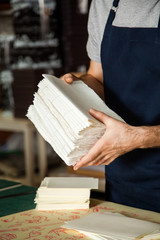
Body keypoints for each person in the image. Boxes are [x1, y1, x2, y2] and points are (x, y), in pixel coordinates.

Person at [61, 0, 160, 213]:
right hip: (122, 178)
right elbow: (97, 77)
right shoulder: (104, 4)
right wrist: (77, 88)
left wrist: (139, 137)